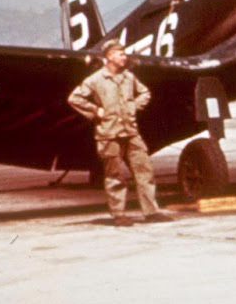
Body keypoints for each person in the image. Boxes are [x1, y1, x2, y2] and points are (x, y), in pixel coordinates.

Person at [68, 40, 174, 226]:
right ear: (109, 56)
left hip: (131, 133)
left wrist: (134, 105)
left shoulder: (129, 78)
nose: (124, 57)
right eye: (120, 54)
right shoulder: (95, 80)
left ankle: (151, 212)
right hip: (109, 135)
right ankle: (119, 215)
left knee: (145, 171)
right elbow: (74, 98)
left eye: (124, 54)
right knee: (115, 177)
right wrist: (95, 111)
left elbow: (145, 93)